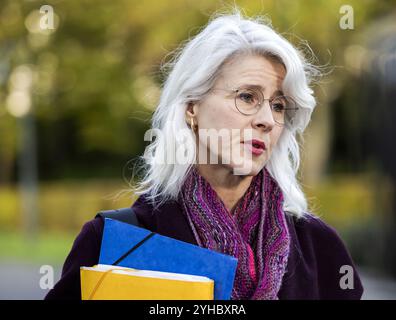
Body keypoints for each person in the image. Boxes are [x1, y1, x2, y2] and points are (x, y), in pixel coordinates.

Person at [45, 10, 363, 300]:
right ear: (192, 108)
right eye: (247, 97)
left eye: (278, 105)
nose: (267, 119)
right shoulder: (114, 245)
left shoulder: (321, 250)